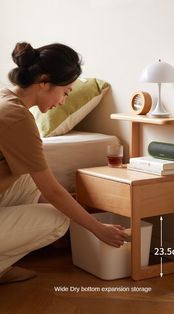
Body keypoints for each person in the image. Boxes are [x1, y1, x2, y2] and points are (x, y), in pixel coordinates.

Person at [0, 42, 128, 284]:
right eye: (66, 92)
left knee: (28, 176)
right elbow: (53, 191)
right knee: (58, 220)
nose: (63, 100)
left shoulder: (5, 98)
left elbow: (44, 188)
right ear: (44, 81)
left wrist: (77, 208)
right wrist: (97, 228)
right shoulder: (17, 117)